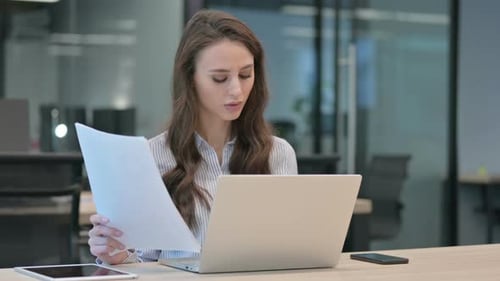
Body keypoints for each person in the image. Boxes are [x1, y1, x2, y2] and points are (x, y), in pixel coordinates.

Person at [87, 9, 298, 265]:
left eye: (245, 74)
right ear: (190, 79)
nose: (237, 90)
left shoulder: (278, 154)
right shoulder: (152, 157)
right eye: (220, 78)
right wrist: (117, 255)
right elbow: (143, 264)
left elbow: (290, 252)